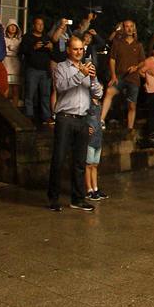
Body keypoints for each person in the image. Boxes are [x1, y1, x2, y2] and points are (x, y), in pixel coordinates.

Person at [48, 35, 102, 212]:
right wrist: (81, 74)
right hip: (65, 117)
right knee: (59, 159)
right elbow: (62, 87)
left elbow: (98, 93)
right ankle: (53, 199)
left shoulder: (88, 68)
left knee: (80, 161)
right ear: (69, 50)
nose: (79, 52)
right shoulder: (61, 68)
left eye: (81, 49)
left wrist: (92, 79)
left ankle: (77, 199)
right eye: (75, 49)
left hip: (82, 118)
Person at [100, 20, 144, 134]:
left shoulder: (138, 45)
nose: (129, 29)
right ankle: (101, 120)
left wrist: (136, 67)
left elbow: (142, 61)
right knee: (109, 91)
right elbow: (112, 59)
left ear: (134, 29)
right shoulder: (117, 43)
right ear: (123, 29)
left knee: (132, 105)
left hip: (133, 78)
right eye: (127, 27)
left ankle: (130, 128)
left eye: (131, 27)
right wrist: (113, 75)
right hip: (120, 76)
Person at [21, 16, 54, 125]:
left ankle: (46, 116)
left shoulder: (46, 37)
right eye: (38, 24)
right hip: (32, 69)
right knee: (30, 93)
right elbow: (22, 51)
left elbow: (53, 55)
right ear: (34, 25)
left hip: (45, 70)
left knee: (45, 94)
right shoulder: (27, 37)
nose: (40, 26)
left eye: (42, 24)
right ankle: (29, 115)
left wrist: (50, 48)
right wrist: (34, 47)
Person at [3, 21, 22, 105]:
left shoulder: (19, 40)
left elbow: (20, 51)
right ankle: (5, 108)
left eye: (15, 26)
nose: (13, 28)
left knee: (15, 88)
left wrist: (13, 49)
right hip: (6, 63)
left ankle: (14, 109)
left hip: (16, 64)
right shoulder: (3, 39)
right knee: (6, 87)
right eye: (11, 26)